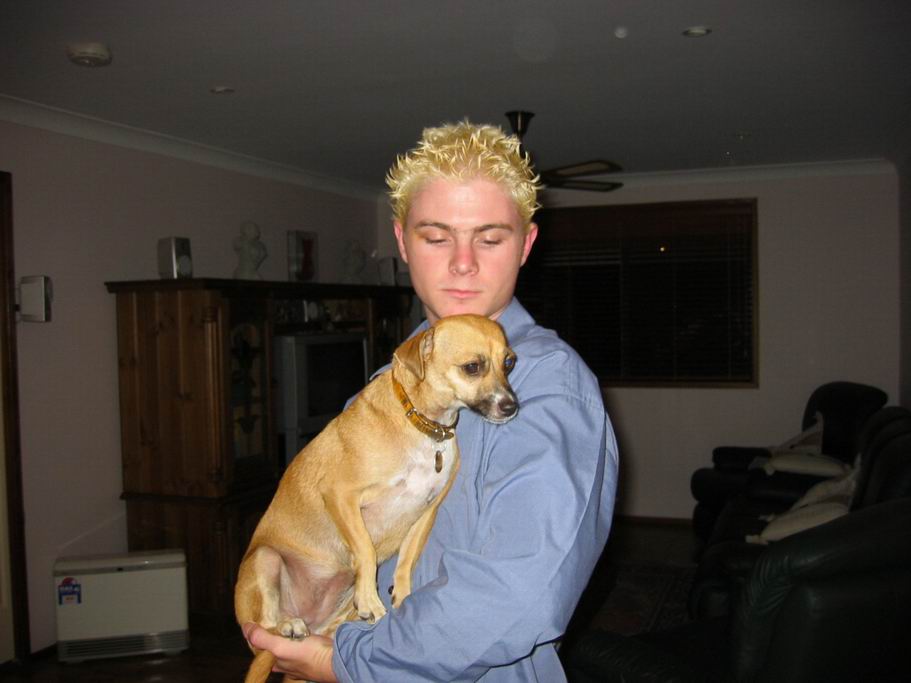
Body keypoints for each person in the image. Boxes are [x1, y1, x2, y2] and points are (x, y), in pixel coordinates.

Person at [243, 120, 619, 682]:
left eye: (490, 238)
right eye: (436, 237)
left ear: (526, 245)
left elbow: (516, 599)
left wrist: (344, 662)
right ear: (402, 243)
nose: (463, 262)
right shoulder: (391, 382)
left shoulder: (549, 385)